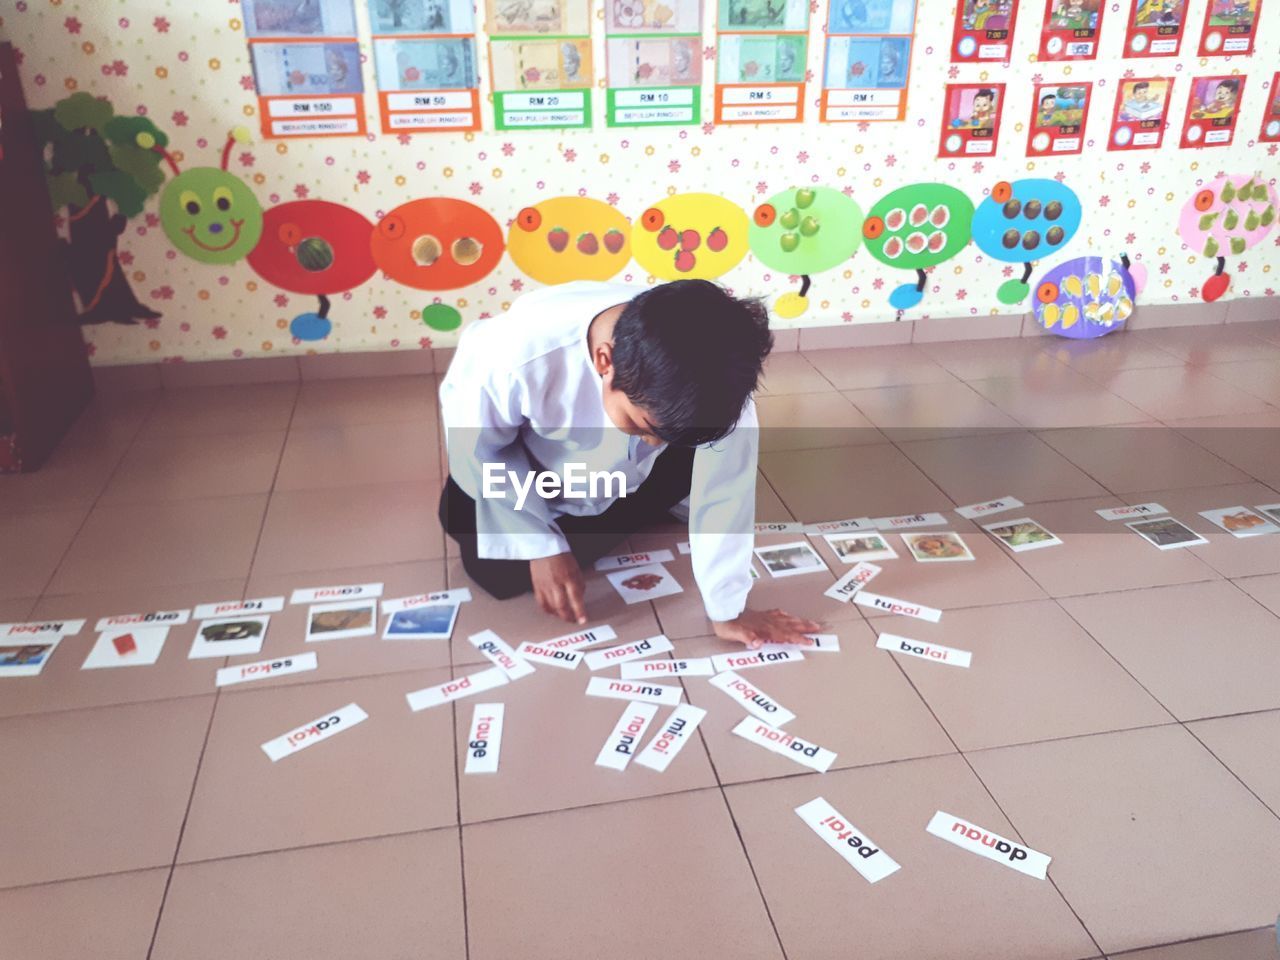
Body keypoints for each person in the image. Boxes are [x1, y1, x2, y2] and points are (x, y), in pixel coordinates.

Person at [438, 280, 821, 649]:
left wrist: (727, 610)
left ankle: (638, 499)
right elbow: (482, 455)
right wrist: (542, 546)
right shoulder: (511, 356)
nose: (655, 443)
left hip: (625, 477)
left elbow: (726, 490)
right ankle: (625, 510)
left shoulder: (717, 378)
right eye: (643, 425)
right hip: (537, 475)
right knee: (494, 568)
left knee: (690, 451)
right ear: (605, 361)